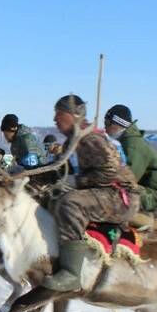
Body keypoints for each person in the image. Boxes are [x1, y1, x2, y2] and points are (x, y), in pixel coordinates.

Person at [42, 94, 139, 293]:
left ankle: (71, 273)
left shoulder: (91, 139)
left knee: (70, 203)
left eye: (58, 114)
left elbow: (110, 171)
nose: (55, 119)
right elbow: (59, 168)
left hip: (119, 196)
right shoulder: (73, 141)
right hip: (101, 192)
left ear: (72, 115)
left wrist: (77, 181)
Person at [103, 104, 157, 217]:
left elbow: (128, 178)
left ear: (116, 124)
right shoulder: (127, 141)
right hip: (146, 190)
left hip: (154, 196)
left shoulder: (133, 145)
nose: (105, 128)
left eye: (107, 124)